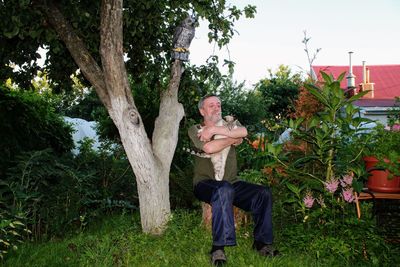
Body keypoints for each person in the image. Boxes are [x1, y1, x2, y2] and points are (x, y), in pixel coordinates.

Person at [188, 95, 278, 266]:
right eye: (211, 105)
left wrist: (214, 131)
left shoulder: (229, 124)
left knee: (262, 193)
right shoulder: (195, 129)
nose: (216, 108)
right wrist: (232, 139)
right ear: (202, 111)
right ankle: (218, 248)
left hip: (231, 182)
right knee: (223, 189)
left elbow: (243, 132)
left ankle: (262, 243)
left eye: (218, 105)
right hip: (204, 183)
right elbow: (208, 147)